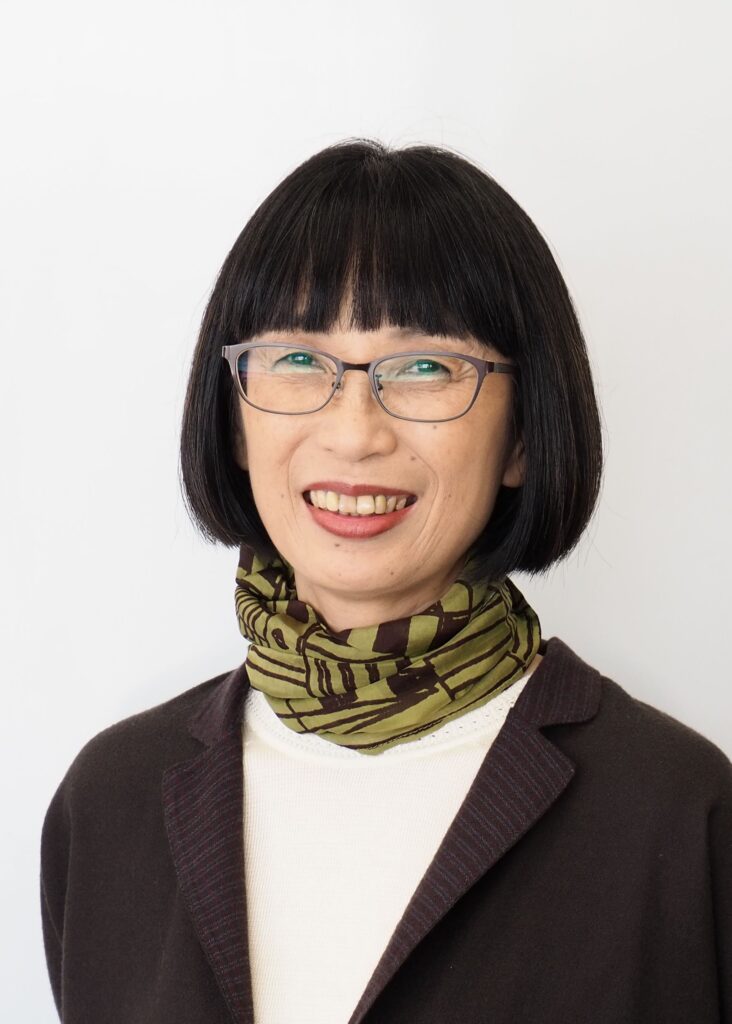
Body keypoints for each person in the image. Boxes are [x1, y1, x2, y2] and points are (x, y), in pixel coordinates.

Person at [40, 140, 732, 1024]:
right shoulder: (110, 802)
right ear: (237, 423)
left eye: (426, 367)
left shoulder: (677, 811)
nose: (354, 433)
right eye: (298, 360)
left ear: (524, 436)